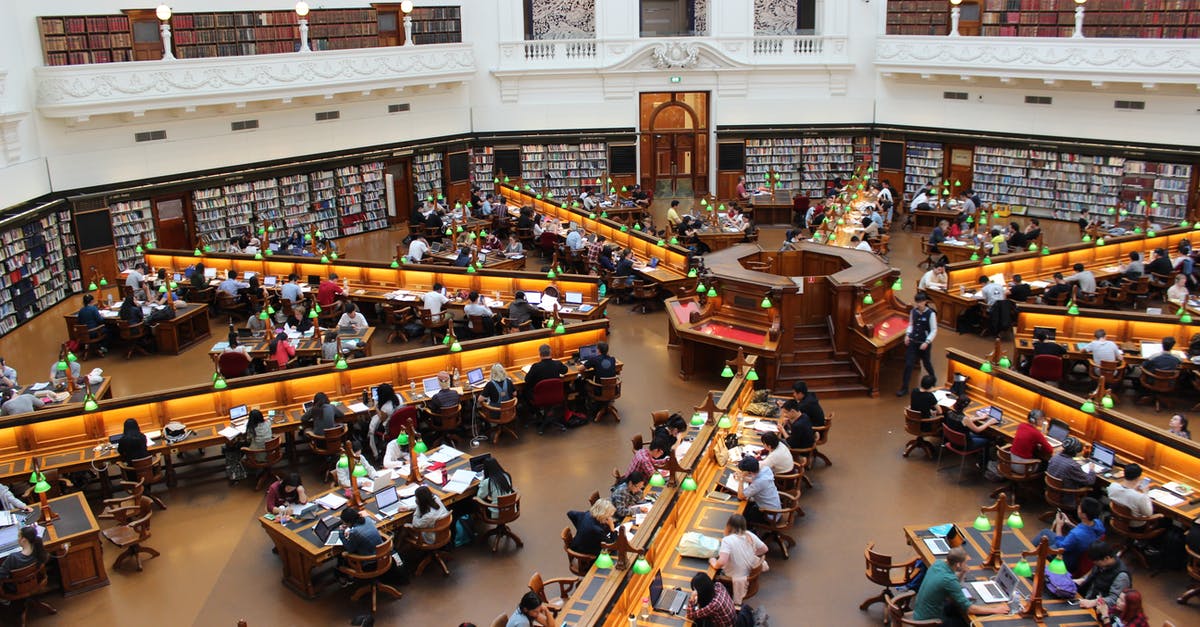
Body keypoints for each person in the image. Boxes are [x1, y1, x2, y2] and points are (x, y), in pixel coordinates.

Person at [910, 547, 1007, 625]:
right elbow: (970, 609)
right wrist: (996, 610)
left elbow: (953, 583)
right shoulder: (949, 580)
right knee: (965, 622)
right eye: (965, 562)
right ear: (958, 564)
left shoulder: (937, 564)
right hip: (929, 622)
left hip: (921, 612)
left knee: (954, 607)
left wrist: (963, 572)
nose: (966, 564)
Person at [1032, 496, 1105, 573]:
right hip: (1078, 549)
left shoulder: (1075, 534)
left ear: (1084, 515)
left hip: (1067, 559)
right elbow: (1085, 532)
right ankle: (1030, 552)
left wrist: (1059, 526)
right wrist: (1070, 523)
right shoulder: (1098, 523)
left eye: (1079, 508)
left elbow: (1060, 547)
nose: (1078, 509)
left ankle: (1031, 559)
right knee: (1045, 532)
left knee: (1043, 548)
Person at [708, 513, 767, 605]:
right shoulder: (749, 534)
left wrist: (714, 563)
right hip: (750, 571)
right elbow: (764, 549)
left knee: (712, 575)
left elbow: (722, 561)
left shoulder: (727, 540)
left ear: (729, 526)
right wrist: (751, 553)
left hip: (735, 574)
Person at [897, 292, 937, 396]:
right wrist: (908, 334)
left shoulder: (931, 314)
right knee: (908, 365)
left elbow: (933, 330)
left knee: (927, 363)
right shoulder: (913, 311)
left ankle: (933, 381)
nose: (919, 304)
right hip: (913, 342)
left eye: (921, 302)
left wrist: (927, 342)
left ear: (925, 302)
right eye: (917, 302)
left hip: (924, 344)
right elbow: (911, 324)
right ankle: (904, 387)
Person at [1076, 542, 1132, 610]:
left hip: (1100, 609)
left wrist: (1093, 602)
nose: (1096, 565)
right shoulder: (1101, 564)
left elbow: (1114, 599)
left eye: (1097, 563)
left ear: (1106, 558)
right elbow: (1089, 577)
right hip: (1085, 599)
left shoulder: (1122, 576)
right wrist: (1076, 581)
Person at [736, 457, 780, 525]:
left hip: (770, 515)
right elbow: (755, 479)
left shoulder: (758, 483)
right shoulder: (766, 469)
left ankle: (751, 529)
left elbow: (740, 496)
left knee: (743, 514)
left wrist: (741, 480)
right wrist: (744, 478)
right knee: (748, 504)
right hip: (775, 507)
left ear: (749, 472)